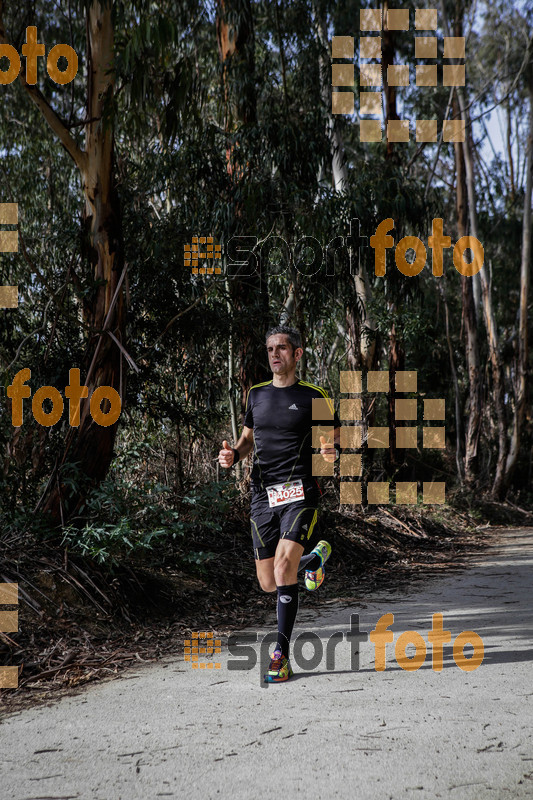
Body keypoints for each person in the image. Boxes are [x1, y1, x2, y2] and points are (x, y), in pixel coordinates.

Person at [218, 326, 340, 682]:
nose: (275, 355)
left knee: (284, 566)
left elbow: (333, 441)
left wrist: (330, 451)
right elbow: (246, 440)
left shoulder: (313, 396)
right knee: (269, 582)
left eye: (282, 348)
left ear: (297, 354)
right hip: (262, 494)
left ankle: (280, 655)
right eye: (270, 348)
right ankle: (314, 559)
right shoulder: (256, 395)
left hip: (301, 491)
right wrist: (232, 455)